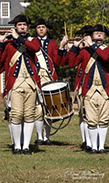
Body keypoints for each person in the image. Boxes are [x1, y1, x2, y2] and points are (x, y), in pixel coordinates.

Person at [0, 14, 41, 155]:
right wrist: (0, 43)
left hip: (30, 83)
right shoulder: (8, 44)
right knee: (17, 114)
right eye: (19, 25)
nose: (22, 27)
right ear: (15, 27)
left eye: (24, 25)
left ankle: (26, 146)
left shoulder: (32, 40)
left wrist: (18, 38)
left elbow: (35, 48)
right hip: (15, 84)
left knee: (29, 115)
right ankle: (17, 145)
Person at [68, 24, 109, 154]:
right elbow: (71, 62)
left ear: (105, 36)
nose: (98, 34)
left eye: (101, 33)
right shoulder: (85, 51)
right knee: (91, 119)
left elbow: (105, 57)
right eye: (96, 33)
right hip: (89, 89)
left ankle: (101, 146)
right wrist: (75, 46)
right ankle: (93, 147)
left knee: (103, 119)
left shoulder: (107, 49)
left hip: (104, 89)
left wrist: (91, 45)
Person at [30, 18, 66, 146]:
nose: (41, 29)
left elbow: (57, 61)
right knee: (38, 109)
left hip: (49, 77)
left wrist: (61, 47)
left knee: (49, 109)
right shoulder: (31, 42)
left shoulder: (52, 43)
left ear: (47, 29)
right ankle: (39, 137)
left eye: (43, 27)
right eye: (38, 27)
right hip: (36, 78)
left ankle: (47, 137)